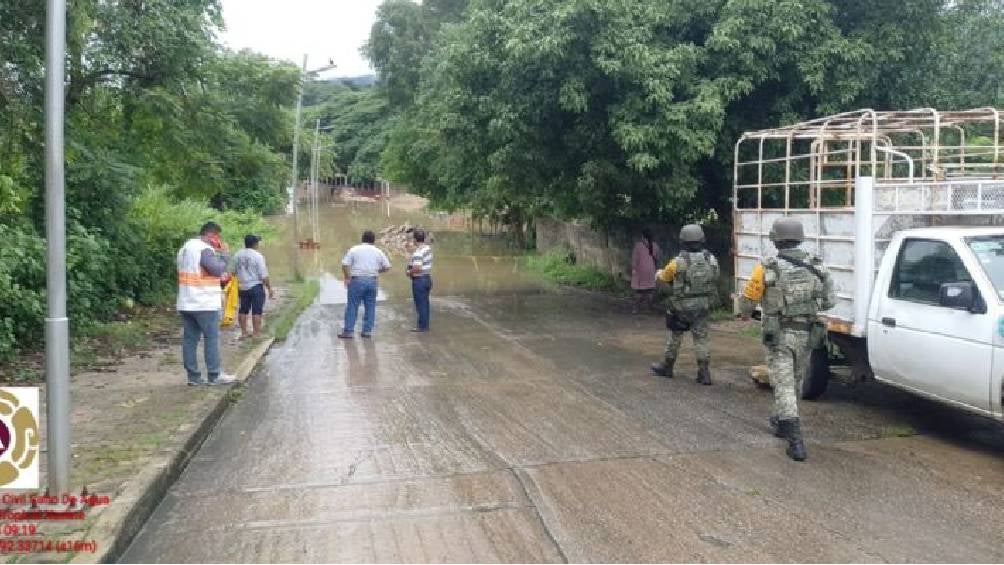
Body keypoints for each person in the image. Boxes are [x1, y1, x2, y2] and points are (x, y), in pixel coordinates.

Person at [740, 218, 835, 462]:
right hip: (805, 334)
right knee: (793, 380)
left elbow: (748, 300)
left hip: (778, 335)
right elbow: (829, 301)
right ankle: (782, 423)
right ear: (799, 238)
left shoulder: (766, 267)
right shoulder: (816, 265)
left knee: (782, 383)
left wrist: (745, 313)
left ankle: (796, 441)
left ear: (776, 241)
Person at [650, 224, 719, 385]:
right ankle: (704, 373)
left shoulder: (677, 262)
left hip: (681, 307)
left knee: (675, 335)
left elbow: (664, 279)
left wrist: (659, 274)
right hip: (703, 305)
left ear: (682, 241)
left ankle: (667, 366)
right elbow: (715, 278)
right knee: (701, 338)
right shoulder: (711, 259)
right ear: (702, 240)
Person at [176, 222, 235, 386]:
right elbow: (217, 269)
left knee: (189, 340)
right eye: (217, 237)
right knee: (211, 339)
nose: (218, 240)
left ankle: (193, 377)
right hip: (204, 302)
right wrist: (224, 255)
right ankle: (215, 375)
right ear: (211, 235)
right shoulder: (204, 249)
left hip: (186, 301)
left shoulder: (184, 249)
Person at [338, 230, 391, 339]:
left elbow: (345, 264)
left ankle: (349, 331)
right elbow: (387, 267)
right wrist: (376, 271)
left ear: (362, 239)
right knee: (370, 306)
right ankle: (367, 331)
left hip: (357, 280)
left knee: (352, 305)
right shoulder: (378, 251)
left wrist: (347, 277)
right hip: (372, 281)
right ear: (373, 240)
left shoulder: (354, 250)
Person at [232, 234, 275, 339]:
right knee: (257, 311)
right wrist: (269, 289)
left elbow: (233, 272)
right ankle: (256, 334)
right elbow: (264, 275)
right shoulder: (258, 256)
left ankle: (244, 333)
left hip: (242, 286)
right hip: (255, 286)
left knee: (243, 310)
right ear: (255, 244)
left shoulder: (237, 255)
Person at [406, 228, 434, 332]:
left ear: (415, 240)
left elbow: (417, 268)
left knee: (420, 304)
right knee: (425, 303)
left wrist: (409, 272)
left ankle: (422, 326)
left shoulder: (418, 252)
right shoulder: (427, 249)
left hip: (419, 280)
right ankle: (425, 325)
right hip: (427, 278)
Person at [631, 228, 661, 314]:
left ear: (642, 236)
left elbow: (634, 259)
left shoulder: (638, 245)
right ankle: (649, 308)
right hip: (651, 270)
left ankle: (635, 309)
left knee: (639, 291)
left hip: (640, 270)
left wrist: (633, 269)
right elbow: (657, 258)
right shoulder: (655, 245)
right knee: (650, 290)